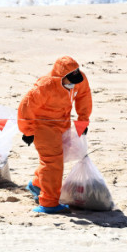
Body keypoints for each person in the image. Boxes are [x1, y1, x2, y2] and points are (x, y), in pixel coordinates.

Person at [18, 56, 92, 214]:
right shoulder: (45, 86)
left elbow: (84, 96)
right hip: (42, 126)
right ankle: (49, 203)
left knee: (57, 159)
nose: (73, 83)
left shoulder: (79, 79)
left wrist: (82, 121)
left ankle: (37, 184)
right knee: (53, 162)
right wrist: (28, 130)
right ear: (60, 76)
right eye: (69, 80)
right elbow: (26, 107)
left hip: (62, 123)